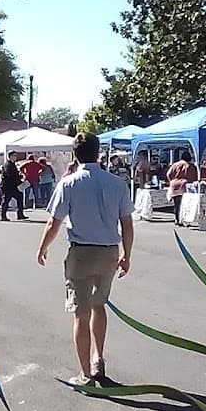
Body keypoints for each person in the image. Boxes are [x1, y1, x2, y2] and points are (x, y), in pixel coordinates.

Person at [36, 132, 133, 386]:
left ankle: (85, 374)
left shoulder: (69, 184)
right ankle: (98, 358)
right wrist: (127, 254)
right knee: (99, 304)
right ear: (98, 152)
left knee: (81, 312)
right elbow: (127, 224)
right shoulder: (117, 183)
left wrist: (43, 247)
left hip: (81, 252)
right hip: (109, 251)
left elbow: (53, 222)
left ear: (75, 155)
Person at [166, 150, 198, 224]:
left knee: (176, 204)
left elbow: (168, 174)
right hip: (184, 186)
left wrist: (171, 181)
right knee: (184, 204)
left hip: (174, 185)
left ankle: (177, 219)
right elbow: (194, 177)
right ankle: (183, 219)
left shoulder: (175, 164)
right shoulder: (190, 166)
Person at [0, 155, 27, 221]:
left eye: (15, 155)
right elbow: (9, 175)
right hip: (8, 186)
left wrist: (19, 177)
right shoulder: (7, 165)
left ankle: (20, 214)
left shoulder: (13, 164)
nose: (15, 156)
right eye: (14, 155)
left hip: (14, 186)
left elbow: (14, 175)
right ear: (10, 156)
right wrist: (18, 178)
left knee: (20, 197)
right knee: (6, 200)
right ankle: (3, 216)